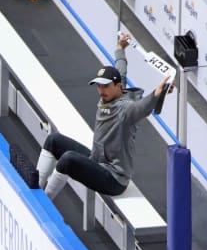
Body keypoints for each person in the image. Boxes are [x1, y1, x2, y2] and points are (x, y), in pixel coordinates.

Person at [36, 32, 172, 199]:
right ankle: (36, 188)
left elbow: (142, 108)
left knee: (68, 160)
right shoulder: (115, 88)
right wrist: (120, 49)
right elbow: (120, 67)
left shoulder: (126, 110)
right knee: (53, 140)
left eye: (105, 86)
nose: (101, 91)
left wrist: (157, 93)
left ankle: (45, 201)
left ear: (118, 86)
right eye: (98, 86)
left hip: (113, 179)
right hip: (97, 161)